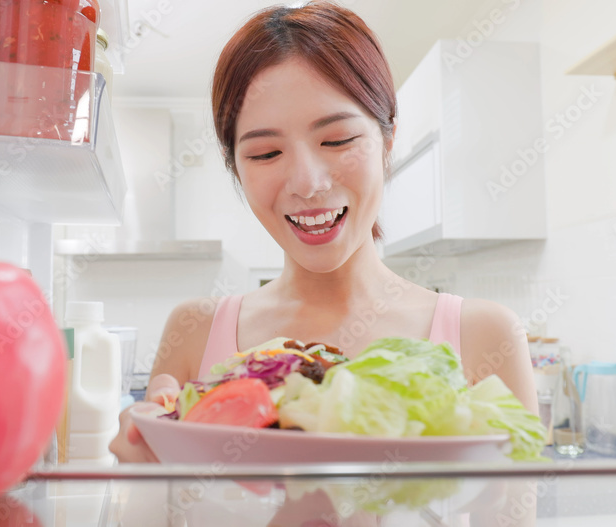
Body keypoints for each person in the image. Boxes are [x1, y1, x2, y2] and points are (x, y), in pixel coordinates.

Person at [110, 1, 537, 464]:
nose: (307, 183)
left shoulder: (484, 335)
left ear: (388, 140)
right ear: (236, 167)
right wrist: (147, 479)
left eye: (337, 140)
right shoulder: (193, 331)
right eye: (266, 153)